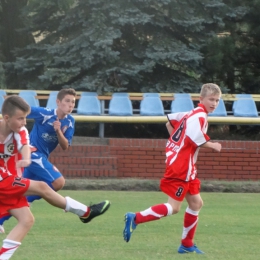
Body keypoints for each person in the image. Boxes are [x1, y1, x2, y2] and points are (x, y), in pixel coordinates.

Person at [0, 95, 110, 259]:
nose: (25, 122)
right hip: (4, 180)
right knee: (45, 187)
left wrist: (26, 159)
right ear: (6, 118)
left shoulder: (21, 131)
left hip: (9, 178)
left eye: (25, 118)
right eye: (21, 118)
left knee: (26, 220)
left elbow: (24, 145)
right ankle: (85, 212)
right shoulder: (43, 114)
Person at [123, 83, 222, 254]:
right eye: (211, 99)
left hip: (186, 166)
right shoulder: (199, 116)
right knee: (174, 208)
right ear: (201, 99)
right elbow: (195, 139)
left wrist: (178, 143)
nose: (214, 103)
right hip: (181, 167)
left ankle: (187, 244)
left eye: (217, 100)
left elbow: (170, 121)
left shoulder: (190, 114)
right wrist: (213, 145)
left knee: (196, 203)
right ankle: (135, 218)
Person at [0, 88, 77, 233]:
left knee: (18, 191)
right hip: (32, 153)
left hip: (38, 159)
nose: (70, 105)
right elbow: (24, 111)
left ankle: (0, 219)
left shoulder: (70, 121)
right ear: (58, 102)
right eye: (67, 101)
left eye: (73, 102)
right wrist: (11, 104)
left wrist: (58, 131)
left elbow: (65, 146)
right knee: (58, 182)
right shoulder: (45, 113)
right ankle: (65, 203)